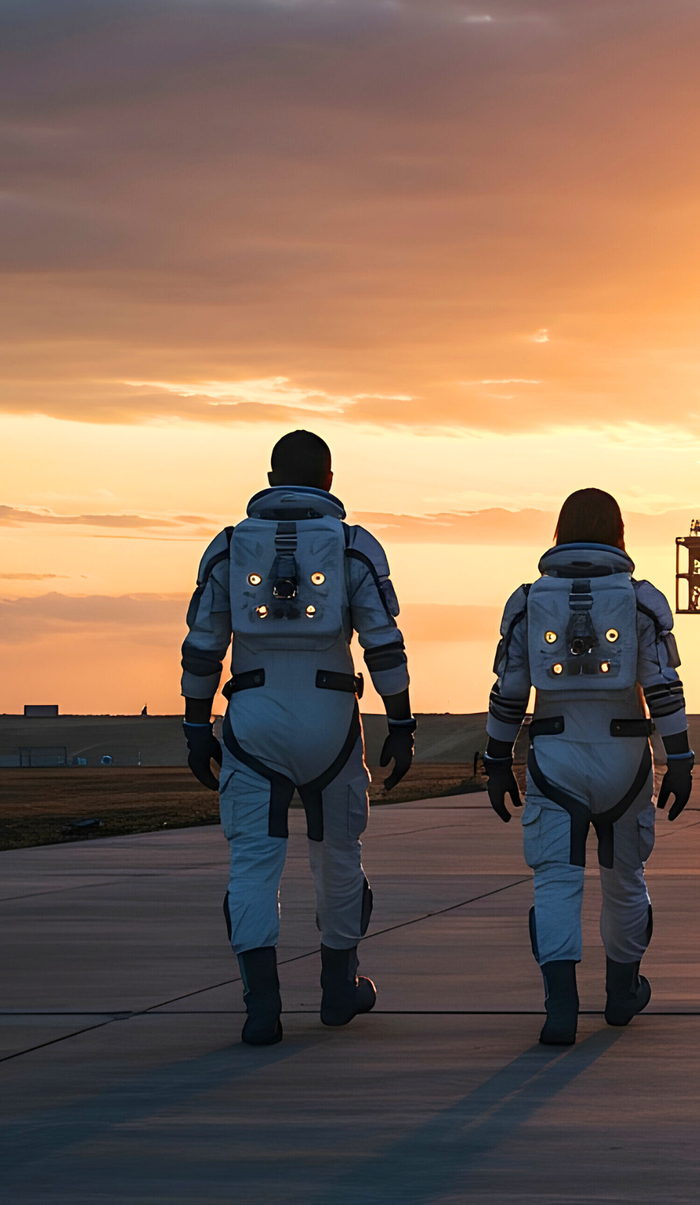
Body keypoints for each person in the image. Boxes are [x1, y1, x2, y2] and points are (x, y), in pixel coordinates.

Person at [178, 430, 416, 1047]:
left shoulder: (229, 548)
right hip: (332, 720)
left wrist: (194, 727)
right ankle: (338, 990)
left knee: (253, 868)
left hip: (251, 717)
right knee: (339, 859)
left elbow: (203, 648)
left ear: (271, 477)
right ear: (330, 481)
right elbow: (384, 644)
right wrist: (403, 722)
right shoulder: (354, 548)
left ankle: (262, 1009)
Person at [483, 488, 693, 1046]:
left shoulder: (528, 601)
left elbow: (509, 692)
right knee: (626, 881)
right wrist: (681, 760)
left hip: (555, 757)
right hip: (626, 757)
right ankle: (621, 994)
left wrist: (497, 759)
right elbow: (664, 688)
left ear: (558, 534)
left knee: (555, 883)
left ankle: (561, 1009)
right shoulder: (642, 600)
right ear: (619, 534)